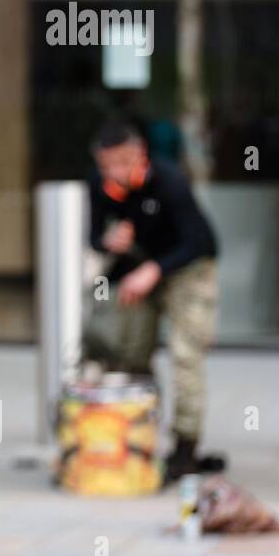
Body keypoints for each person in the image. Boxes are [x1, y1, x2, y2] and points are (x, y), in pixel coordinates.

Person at [83, 120, 222, 484]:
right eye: (105, 165)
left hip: (188, 270)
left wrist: (153, 271)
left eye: (121, 164)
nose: (113, 173)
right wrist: (109, 240)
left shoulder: (171, 181)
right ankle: (137, 434)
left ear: (139, 155)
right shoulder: (99, 185)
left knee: (185, 354)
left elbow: (198, 242)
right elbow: (95, 236)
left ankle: (186, 449)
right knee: (127, 349)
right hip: (138, 270)